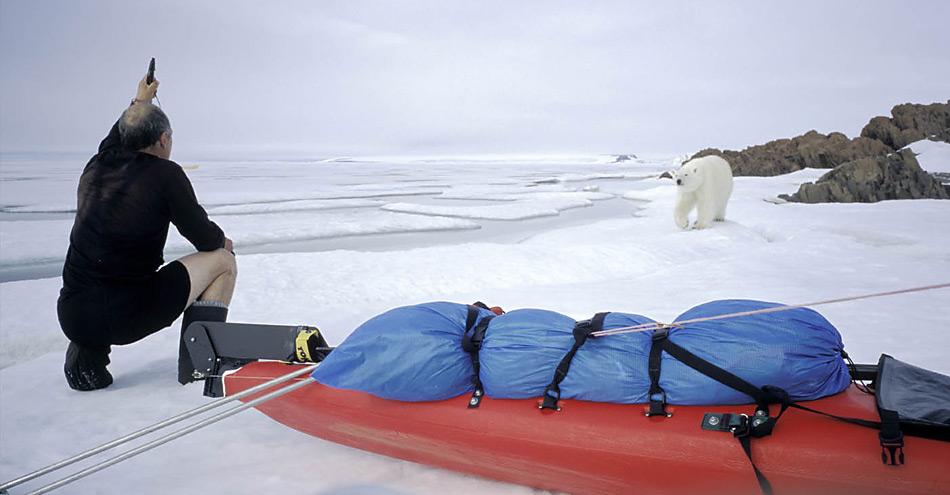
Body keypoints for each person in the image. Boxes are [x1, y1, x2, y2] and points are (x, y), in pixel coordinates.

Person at [57, 73, 237, 391]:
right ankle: (198, 367)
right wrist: (223, 241)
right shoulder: (166, 175)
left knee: (99, 277)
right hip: (126, 315)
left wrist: (142, 99)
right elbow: (204, 239)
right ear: (164, 139)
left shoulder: (98, 162)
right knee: (223, 260)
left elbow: (122, 131)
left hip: (72, 313)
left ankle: (88, 356)